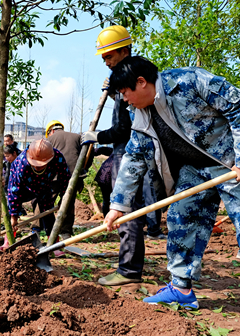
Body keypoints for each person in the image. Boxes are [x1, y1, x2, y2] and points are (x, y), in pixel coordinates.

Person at [103, 56, 240, 336]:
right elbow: (134, 158)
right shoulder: (140, 114)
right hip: (195, 169)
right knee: (180, 218)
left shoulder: (190, 81)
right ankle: (181, 288)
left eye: (126, 93)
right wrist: (118, 206)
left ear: (141, 82)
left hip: (232, 164)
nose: (125, 100)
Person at [81, 25, 166, 287]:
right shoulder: (123, 80)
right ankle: (130, 266)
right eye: (104, 57)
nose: (106, 62)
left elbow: (123, 129)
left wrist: (97, 137)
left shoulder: (131, 83)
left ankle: (128, 271)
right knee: (131, 207)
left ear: (125, 51)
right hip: (133, 149)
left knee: (125, 208)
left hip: (130, 151)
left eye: (109, 56)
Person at [7, 139, 70, 236]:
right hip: (24, 188)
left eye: (41, 165)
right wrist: (13, 216)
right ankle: (9, 240)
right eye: (35, 164)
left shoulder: (57, 158)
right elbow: (14, 190)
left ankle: (53, 243)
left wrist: (64, 198)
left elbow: (65, 179)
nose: (37, 167)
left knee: (48, 213)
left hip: (45, 187)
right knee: (10, 213)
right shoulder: (22, 163)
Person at [45, 120, 83, 240]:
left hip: (55, 176)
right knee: (68, 203)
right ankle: (66, 232)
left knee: (46, 201)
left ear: (51, 131)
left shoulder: (49, 140)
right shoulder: (77, 137)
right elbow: (88, 153)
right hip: (74, 175)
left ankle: (43, 228)